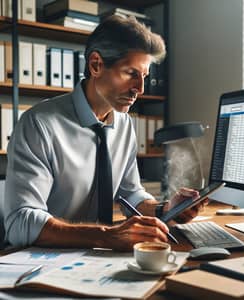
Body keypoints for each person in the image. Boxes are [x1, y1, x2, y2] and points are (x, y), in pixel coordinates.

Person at [3, 16, 206, 251]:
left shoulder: (124, 124)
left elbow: (131, 195)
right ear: (96, 65)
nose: (139, 89)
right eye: (131, 73)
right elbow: (20, 222)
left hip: (95, 255)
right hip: (36, 260)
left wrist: (166, 209)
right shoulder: (39, 124)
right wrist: (106, 236)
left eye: (144, 77)